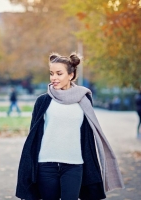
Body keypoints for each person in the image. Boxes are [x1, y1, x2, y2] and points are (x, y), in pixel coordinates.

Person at [16, 52, 124, 200]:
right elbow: (33, 137)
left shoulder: (83, 100)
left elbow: (87, 137)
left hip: (74, 165)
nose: (54, 78)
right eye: (51, 73)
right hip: (46, 165)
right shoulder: (43, 101)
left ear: (71, 75)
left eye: (59, 73)